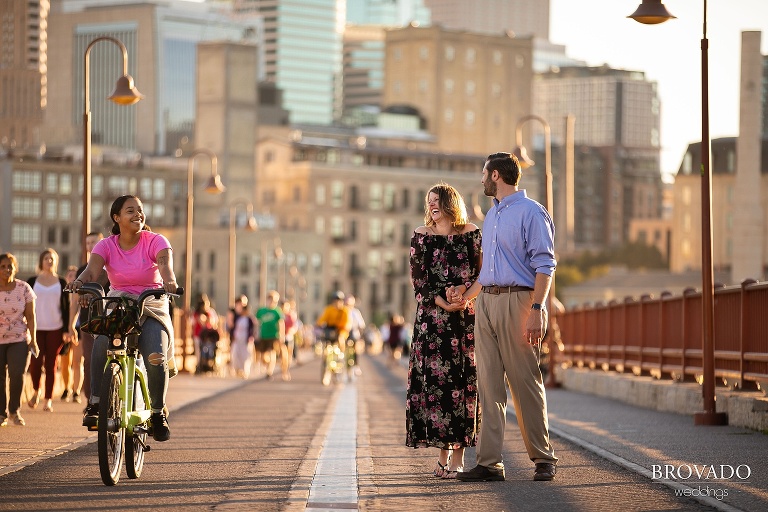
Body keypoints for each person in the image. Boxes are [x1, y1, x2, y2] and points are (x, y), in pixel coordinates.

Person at [456, 152, 558, 483]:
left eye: (484, 173)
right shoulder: (494, 214)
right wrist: (467, 296)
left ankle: (543, 459)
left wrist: (537, 310)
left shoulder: (532, 212)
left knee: (525, 382)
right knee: (488, 385)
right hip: (486, 303)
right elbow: (489, 271)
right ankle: (489, 463)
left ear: (496, 175)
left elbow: (545, 264)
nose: (481, 179)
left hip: (519, 303)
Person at [67, 195, 179, 442]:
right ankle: (96, 403)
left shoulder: (156, 241)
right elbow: (92, 271)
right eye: (131, 211)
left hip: (151, 303)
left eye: (140, 210)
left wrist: (170, 282)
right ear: (117, 218)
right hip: (119, 304)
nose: (138, 214)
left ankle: (158, 412)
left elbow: (165, 267)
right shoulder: (106, 245)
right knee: (101, 344)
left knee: (154, 356)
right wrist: (80, 283)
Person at [406, 183, 482, 479]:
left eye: (437, 200)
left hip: (463, 321)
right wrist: (442, 302)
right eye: (429, 201)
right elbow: (419, 282)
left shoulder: (471, 232)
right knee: (437, 389)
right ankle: (443, 454)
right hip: (432, 324)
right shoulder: (421, 236)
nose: (432, 205)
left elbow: (481, 273)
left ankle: (459, 457)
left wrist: (465, 297)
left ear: (450, 203)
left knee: (461, 387)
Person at [27, 248, 77, 413]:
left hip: (55, 328)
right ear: (41, 261)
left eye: (52, 259)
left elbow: (66, 307)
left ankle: (48, 399)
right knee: (35, 364)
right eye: (46, 258)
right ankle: (36, 390)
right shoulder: (32, 280)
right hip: (36, 328)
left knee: (51, 364)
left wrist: (67, 328)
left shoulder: (61, 282)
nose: (49, 261)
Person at [0, 253, 38, 427]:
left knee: (17, 374)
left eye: (10, 266)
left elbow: (30, 316)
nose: (7, 269)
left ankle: (14, 410)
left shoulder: (24, 288)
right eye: (3, 266)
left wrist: (33, 340)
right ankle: (1, 414)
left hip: (19, 338)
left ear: (15, 268)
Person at [73, 232, 108, 404]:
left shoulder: (112, 267)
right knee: (90, 361)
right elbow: (75, 301)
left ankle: (113, 397)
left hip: (110, 322)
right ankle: (91, 401)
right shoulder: (81, 271)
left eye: (94, 242)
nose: (90, 246)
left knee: (111, 360)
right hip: (88, 324)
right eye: (87, 243)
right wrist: (70, 325)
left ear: (102, 243)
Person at [59, 265, 80, 402]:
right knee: (65, 362)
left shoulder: (82, 292)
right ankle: (67, 388)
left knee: (78, 362)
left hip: (79, 330)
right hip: (65, 330)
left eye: (75, 275)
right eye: (70, 275)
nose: (72, 278)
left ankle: (76, 391)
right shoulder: (63, 294)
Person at [254, 290, 285, 380]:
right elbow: (257, 323)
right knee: (263, 356)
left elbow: (281, 323)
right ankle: (266, 365)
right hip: (264, 335)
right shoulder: (261, 311)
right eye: (271, 300)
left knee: (272, 353)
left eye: (274, 301)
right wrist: (256, 333)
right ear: (267, 300)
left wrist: (281, 335)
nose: (272, 302)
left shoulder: (277, 311)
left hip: (274, 335)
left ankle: (270, 371)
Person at [227, 295, 255, 379]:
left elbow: (252, 329)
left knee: (245, 356)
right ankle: (237, 370)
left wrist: (251, 337)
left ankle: (244, 371)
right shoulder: (234, 314)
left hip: (246, 340)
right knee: (235, 355)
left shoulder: (249, 319)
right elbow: (230, 325)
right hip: (237, 339)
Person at [191, 293, 220, 373]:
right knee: (198, 351)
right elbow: (193, 323)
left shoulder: (211, 312)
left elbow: (214, 322)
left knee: (210, 350)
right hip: (198, 335)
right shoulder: (196, 313)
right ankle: (199, 365)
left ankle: (210, 365)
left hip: (209, 336)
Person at [344, 295, 366, 374]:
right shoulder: (342, 311)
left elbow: (361, 324)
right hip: (344, 332)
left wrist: (361, 335)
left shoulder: (355, 312)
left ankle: (356, 365)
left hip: (353, 331)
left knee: (355, 349)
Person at [281, 300, 298, 379]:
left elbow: (295, 327)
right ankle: (284, 372)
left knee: (289, 357)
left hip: (289, 337)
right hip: (281, 338)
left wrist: (291, 331)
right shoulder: (279, 315)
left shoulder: (291, 316)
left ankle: (286, 370)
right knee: (284, 356)